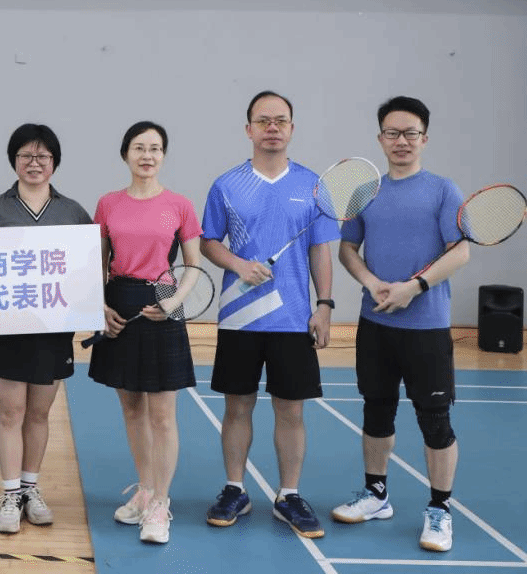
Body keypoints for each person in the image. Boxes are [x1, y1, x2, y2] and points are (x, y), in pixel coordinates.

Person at [330, 95, 469, 553]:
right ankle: (376, 495)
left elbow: (460, 251)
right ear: (380, 138)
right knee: (376, 410)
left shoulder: (443, 190)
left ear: (424, 138)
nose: (402, 140)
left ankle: (440, 509)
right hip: (376, 324)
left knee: (435, 420)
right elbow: (347, 249)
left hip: (427, 326)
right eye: (393, 133)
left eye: (411, 133)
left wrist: (414, 286)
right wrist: (372, 282)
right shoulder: (365, 192)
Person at [200, 90, 337, 539]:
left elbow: (320, 250)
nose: (272, 127)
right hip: (240, 315)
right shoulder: (227, 185)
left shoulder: (313, 186)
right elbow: (209, 241)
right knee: (236, 406)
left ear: (292, 129)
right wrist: (239, 264)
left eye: (280, 120)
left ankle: (289, 495)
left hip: (294, 318)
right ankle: (234, 489)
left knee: (291, 411)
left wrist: (324, 305)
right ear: (249, 129)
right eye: (263, 121)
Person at [0, 124, 93, 535]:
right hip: (7, 328)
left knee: (39, 413)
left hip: (52, 330)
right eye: (26, 155)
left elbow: (87, 271)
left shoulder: (74, 213)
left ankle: (29, 488)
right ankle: (9, 494)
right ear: (14, 161)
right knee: (11, 412)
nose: (34, 163)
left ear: (54, 162)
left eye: (43, 156)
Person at [87, 121, 202, 545]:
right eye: (139, 147)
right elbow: (97, 263)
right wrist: (100, 307)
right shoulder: (108, 204)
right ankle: (145, 489)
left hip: (163, 302)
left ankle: (160, 504)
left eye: (155, 148)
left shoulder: (180, 205)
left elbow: (193, 265)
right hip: (119, 302)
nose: (147, 155)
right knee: (132, 408)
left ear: (163, 156)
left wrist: (173, 302)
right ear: (126, 154)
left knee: (163, 415)